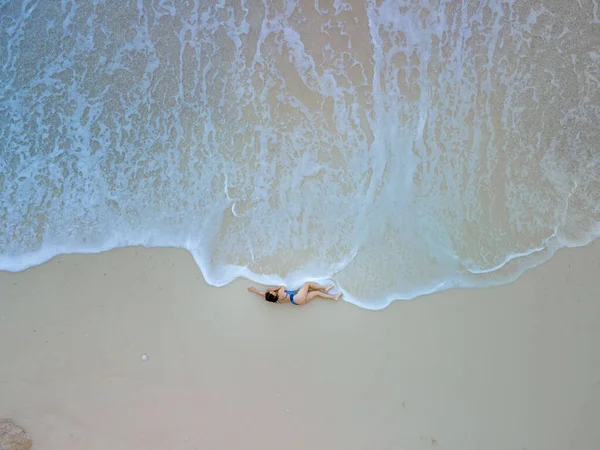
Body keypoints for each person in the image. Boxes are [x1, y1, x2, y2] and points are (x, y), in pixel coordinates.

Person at [247, 282, 342, 305]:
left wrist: (254, 290)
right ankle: (324, 288)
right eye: (271, 292)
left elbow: (263, 294)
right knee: (307, 284)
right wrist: (274, 288)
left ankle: (334, 297)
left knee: (316, 293)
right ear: (274, 294)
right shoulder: (280, 293)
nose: (270, 291)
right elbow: (282, 286)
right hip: (297, 298)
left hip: (297, 303)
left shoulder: (276, 301)